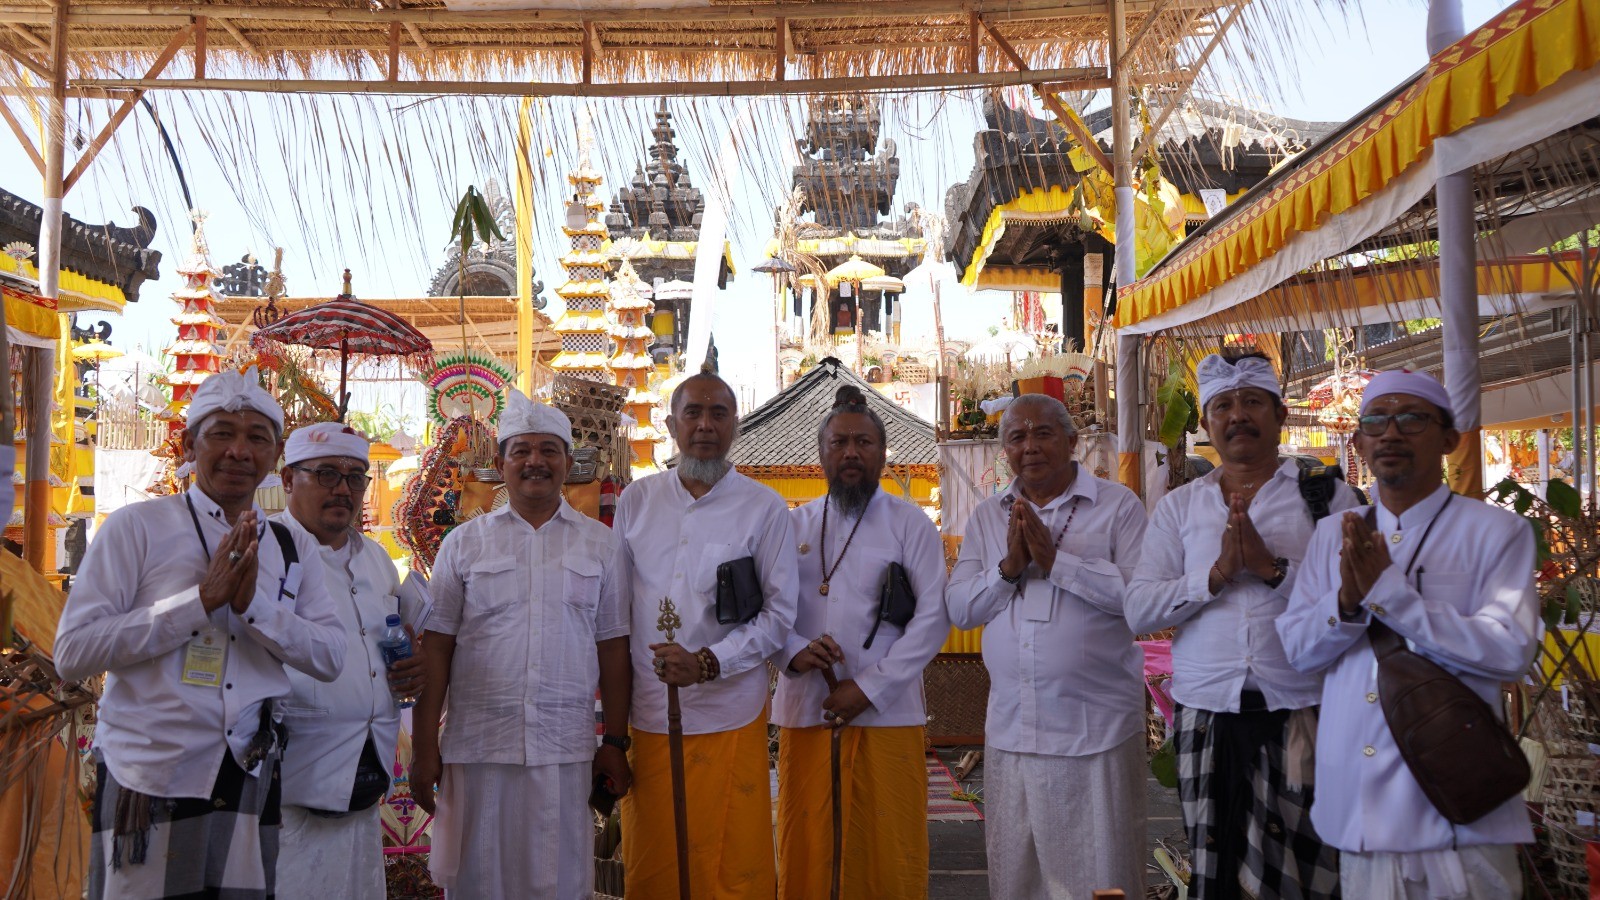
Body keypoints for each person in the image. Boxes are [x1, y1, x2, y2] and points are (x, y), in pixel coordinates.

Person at [56, 368, 345, 900]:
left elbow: (330, 657)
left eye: (257, 438)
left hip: (247, 772)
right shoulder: (136, 528)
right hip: (153, 774)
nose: (239, 451)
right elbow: (73, 653)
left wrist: (254, 608)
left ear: (275, 456)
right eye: (222, 434)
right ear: (189, 445)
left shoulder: (290, 545)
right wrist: (200, 602)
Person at [1279, 369, 1538, 899]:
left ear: (1449, 439)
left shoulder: (1495, 532)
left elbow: (1511, 650)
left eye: (1412, 418)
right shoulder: (1331, 535)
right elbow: (1299, 651)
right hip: (1359, 813)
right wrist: (1346, 603)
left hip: (1455, 819)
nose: (1391, 433)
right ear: (1359, 443)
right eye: (1376, 421)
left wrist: (1391, 596)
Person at [1127, 352, 1353, 900]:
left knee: (1309, 877)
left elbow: (1355, 600)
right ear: (1206, 424)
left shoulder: (1325, 496)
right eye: (1223, 406)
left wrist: (1272, 570)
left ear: (1280, 415)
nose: (1238, 415)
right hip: (1207, 717)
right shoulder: (1179, 508)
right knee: (1219, 877)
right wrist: (1217, 575)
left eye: (1252, 402)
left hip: (1302, 710)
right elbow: (1139, 609)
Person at [411, 390, 632, 899]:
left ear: (568, 463)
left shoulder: (601, 544)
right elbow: (437, 648)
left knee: (558, 883)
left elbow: (613, 648)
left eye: (549, 450)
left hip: (564, 750)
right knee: (479, 882)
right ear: (500, 464)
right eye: (522, 450)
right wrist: (424, 748)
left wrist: (615, 742)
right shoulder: (463, 544)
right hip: (478, 747)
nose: (536, 461)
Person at [947, 393, 1148, 899]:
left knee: (1100, 875)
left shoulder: (1117, 506)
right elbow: (961, 608)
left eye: (1043, 433)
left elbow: (1143, 600)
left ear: (1072, 441)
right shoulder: (987, 516)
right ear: (1005, 451)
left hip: (1095, 731)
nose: (1030, 446)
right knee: (1018, 879)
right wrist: (1008, 569)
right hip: (1013, 728)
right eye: (1017, 437)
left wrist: (1059, 563)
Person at [612, 370, 798, 899]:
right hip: (651, 716)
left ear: (735, 425)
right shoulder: (636, 501)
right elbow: (615, 616)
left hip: (729, 714)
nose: (705, 426)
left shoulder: (764, 507)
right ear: (671, 425)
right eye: (692, 413)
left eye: (719, 414)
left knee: (732, 867)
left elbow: (779, 616)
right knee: (656, 862)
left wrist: (710, 662)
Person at [774, 386, 951, 900]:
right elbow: (769, 610)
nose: (851, 452)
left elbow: (933, 617)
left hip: (887, 714)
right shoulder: (792, 525)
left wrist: (869, 689)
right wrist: (792, 650)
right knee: (807, 846)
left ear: (882, 452)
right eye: (839, 443)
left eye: (864, 442)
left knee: (887, 852)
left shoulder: (910, 524)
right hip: (807, 708)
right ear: (821, 453)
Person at [271, 422, 427, 900]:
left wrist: (411, 667)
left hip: (365, 773)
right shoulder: (268, 552)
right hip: (293, 782)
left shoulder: (376, 559)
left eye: (355, 477)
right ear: (288, 479)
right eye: (326, 474)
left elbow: (386, 647)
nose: (343, 489)